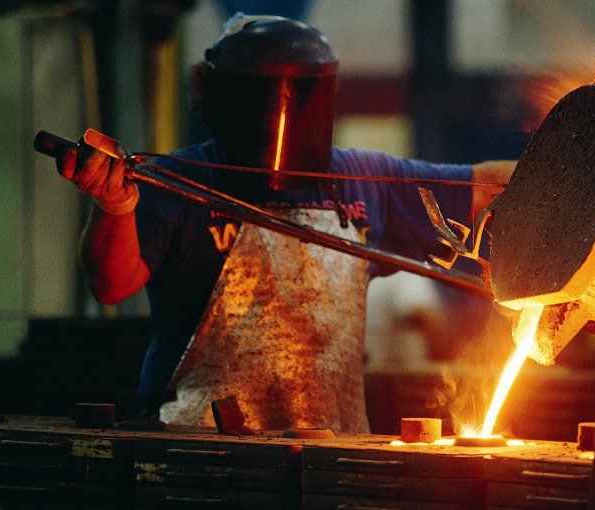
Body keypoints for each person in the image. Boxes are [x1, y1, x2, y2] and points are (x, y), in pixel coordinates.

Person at [57, 14, 513, 432]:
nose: (281, 118)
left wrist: (574, 165)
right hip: (195, 451)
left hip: (328, 454)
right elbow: (111, 284)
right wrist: (115, 204)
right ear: (219, 98)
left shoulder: (361, 180)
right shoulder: (178, 184)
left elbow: (486, 187)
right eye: (264, 98)